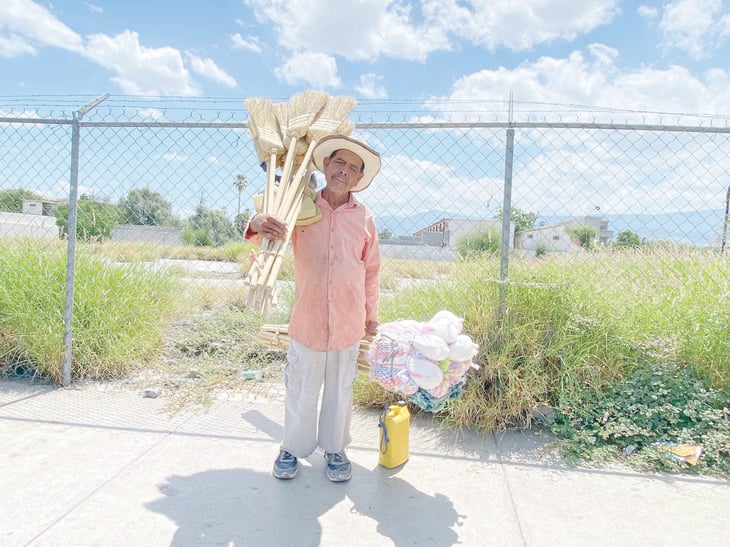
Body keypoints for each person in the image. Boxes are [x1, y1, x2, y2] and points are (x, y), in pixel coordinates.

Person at [245, 134, 381, 482]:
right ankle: (292, 447)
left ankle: (335, 449)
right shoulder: (299, 207)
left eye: (353, 168)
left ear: (358, 178)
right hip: (307, 320)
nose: (344, 171)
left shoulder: (364, 218)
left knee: (340, 390)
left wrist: (371, 315)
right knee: (302, 388)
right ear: (325, 166)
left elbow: (371, 270)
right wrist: (257, 222)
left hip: (348, 322)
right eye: (339, 163)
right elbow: (268, 235)